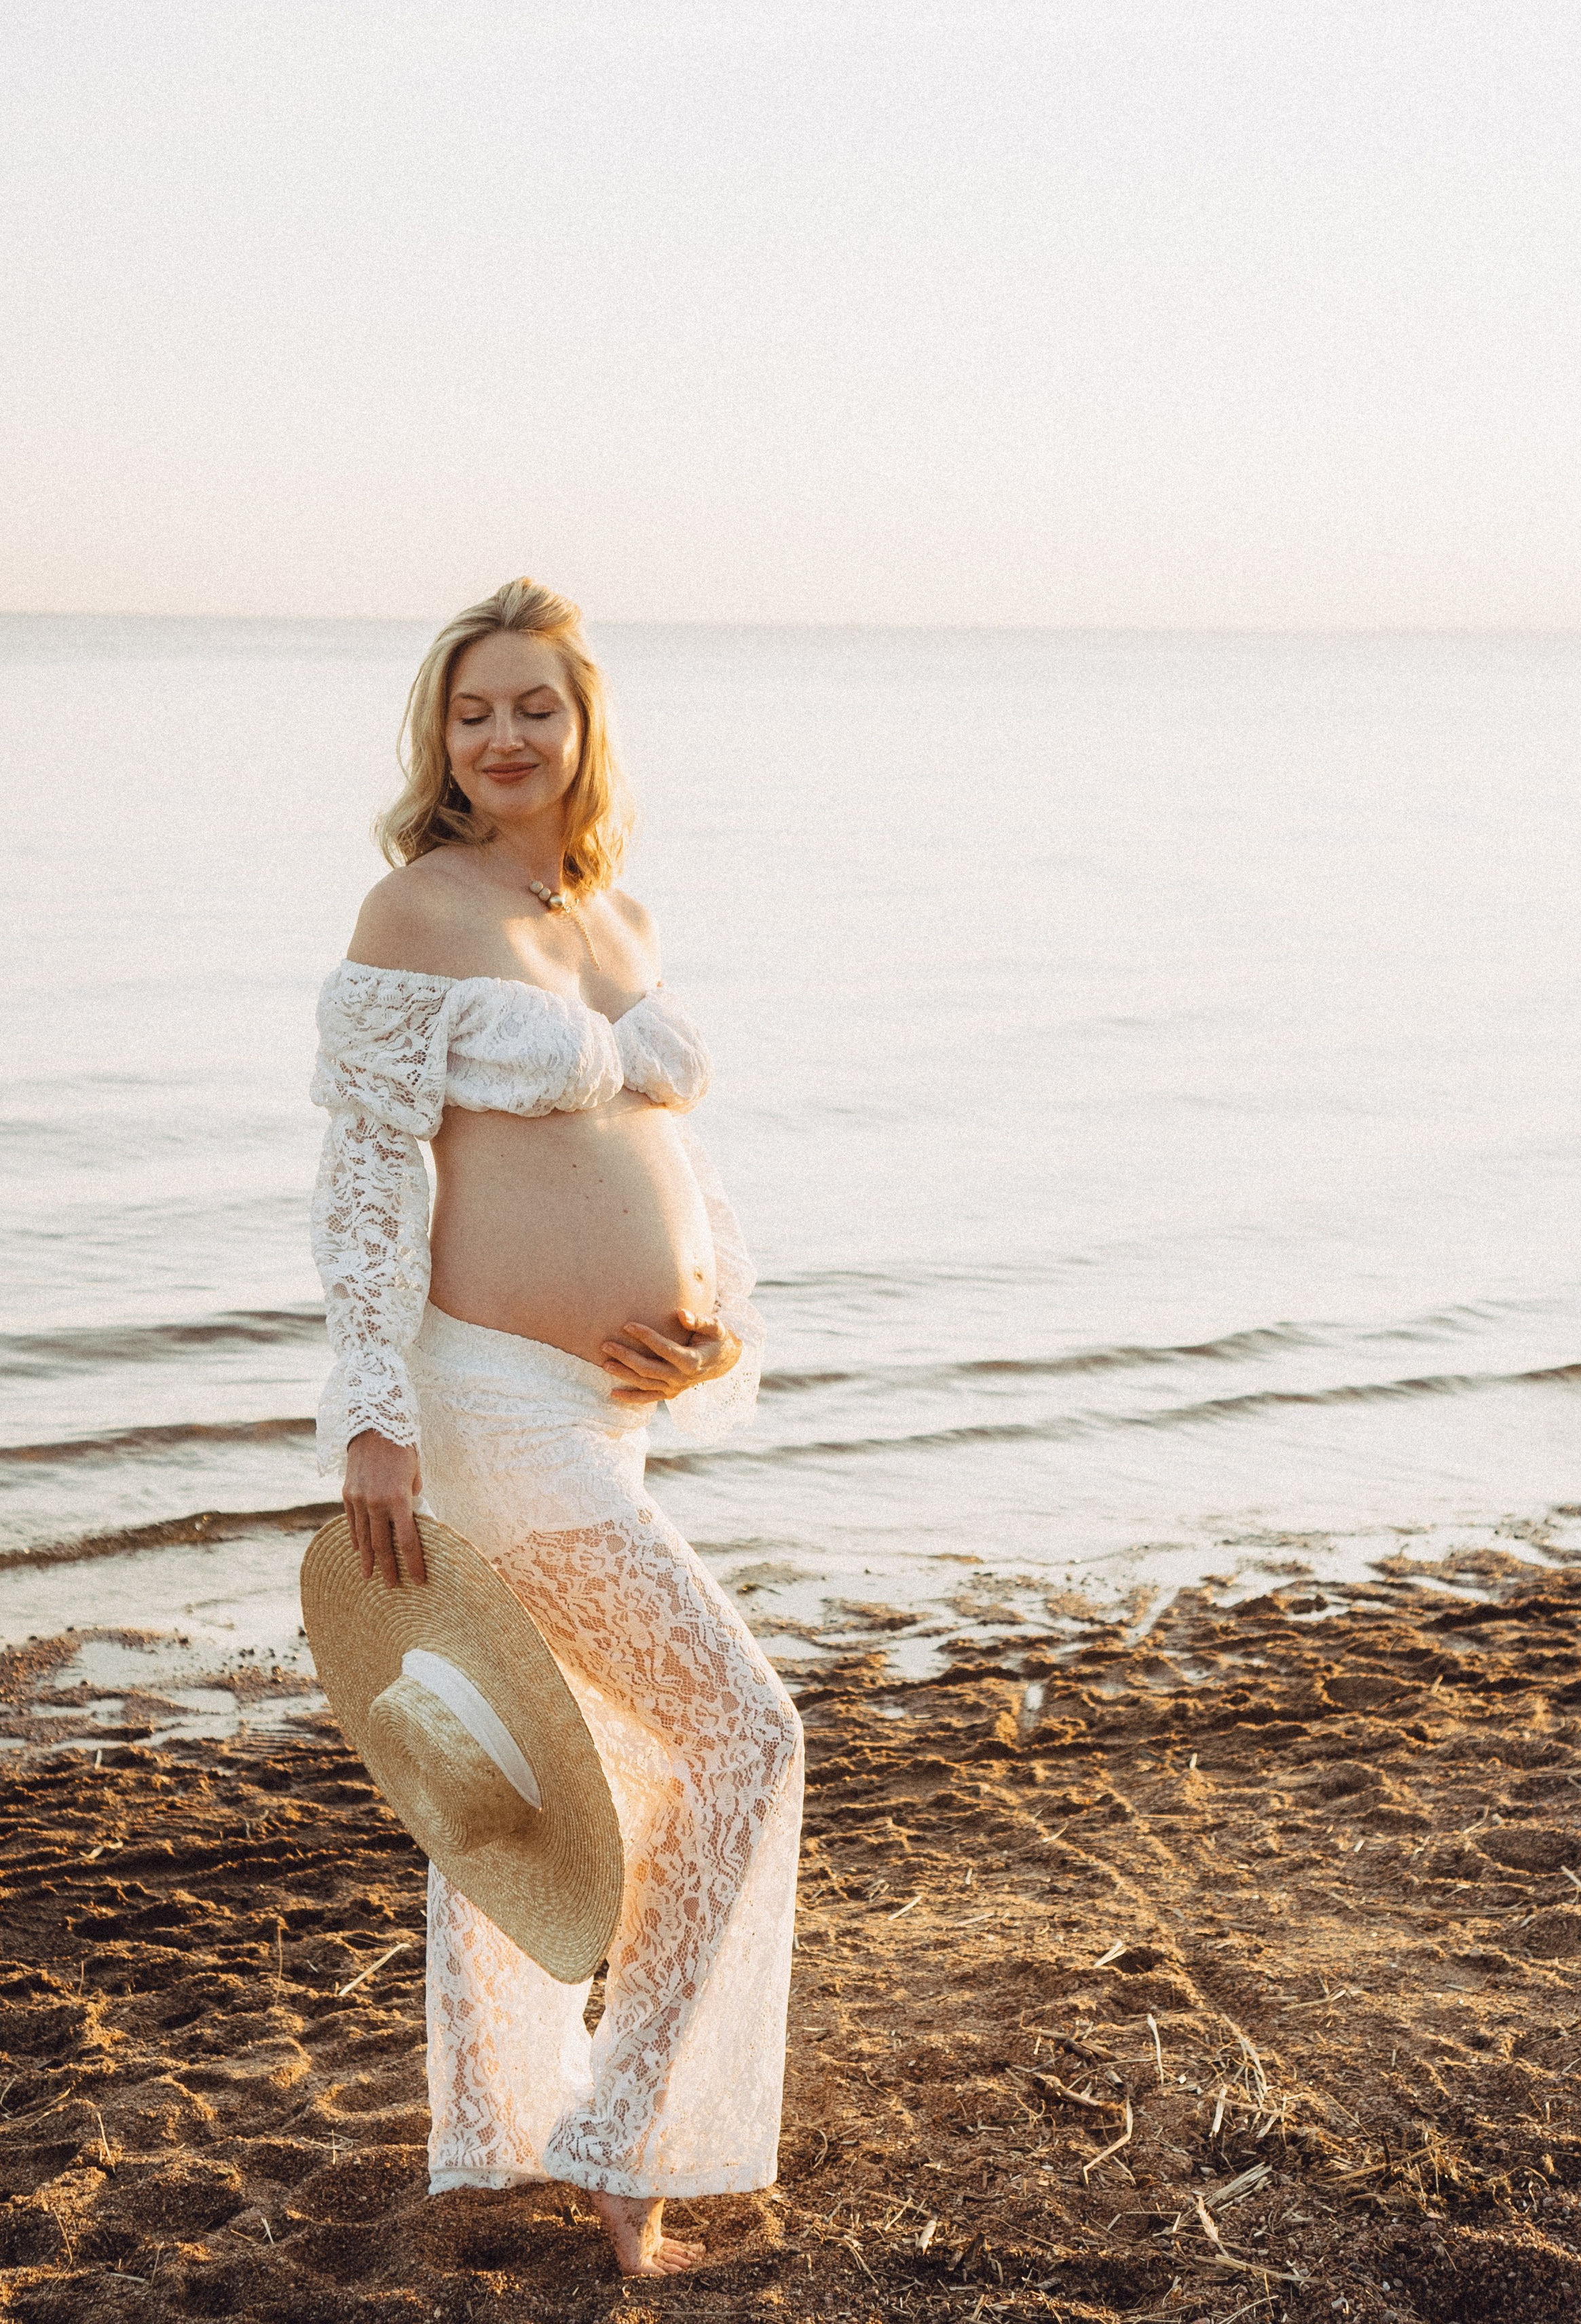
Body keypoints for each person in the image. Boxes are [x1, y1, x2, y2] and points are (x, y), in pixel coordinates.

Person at [309, 578, 802, 2276]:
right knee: (745, 1734)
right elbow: (368, 1179)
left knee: (598, 1762)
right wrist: (370, 1422)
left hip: (609, 1412)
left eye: (534, 706)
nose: (502, 735)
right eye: (472, 711)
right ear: (437, 740)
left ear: (584, 730)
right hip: (489, 1406)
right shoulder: (414, 913)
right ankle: (623, 2134)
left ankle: (518, 2127)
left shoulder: (614, 917)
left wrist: (711, 1321)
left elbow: (684, 1169)